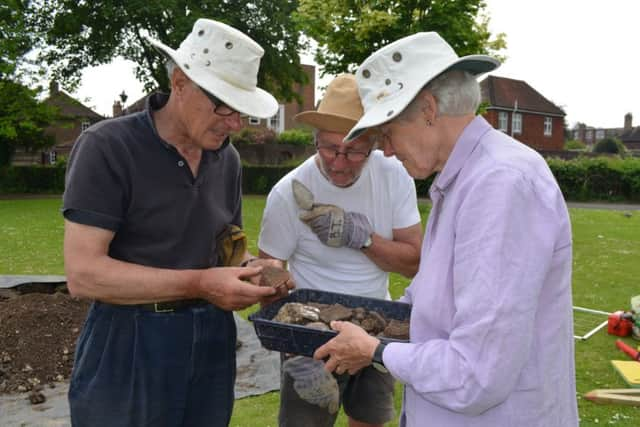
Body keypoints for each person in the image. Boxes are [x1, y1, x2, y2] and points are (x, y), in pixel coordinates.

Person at [314, 32, 578, 426]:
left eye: (386, 133)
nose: (385, 150)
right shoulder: (463, 178)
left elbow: (476, 373)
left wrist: (376, 350)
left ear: (428, 109)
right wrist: (365, 319)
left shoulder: (499, 184)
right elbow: (432, 300)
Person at [62, 19, 292, 427]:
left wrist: (256, 273)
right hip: (129, 339)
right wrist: (200, 284)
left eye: (241, 110)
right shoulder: (108, 146)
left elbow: (227, 247)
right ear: (181, 82)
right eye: (223, 105)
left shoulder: (228, 159)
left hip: (211, 341)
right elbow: (84, 274)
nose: (234, 123)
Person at [258, 73, 423, 427]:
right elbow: (269, 267)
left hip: (374, 325)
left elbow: (414, 262)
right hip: (310, 334)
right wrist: (293, 349)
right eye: (330, 148)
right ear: (315, 140)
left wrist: (361, 238)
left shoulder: (394, 177)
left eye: (354, 150)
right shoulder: (289, 192)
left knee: (369, 421)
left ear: (375, 144)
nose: (338, 161)